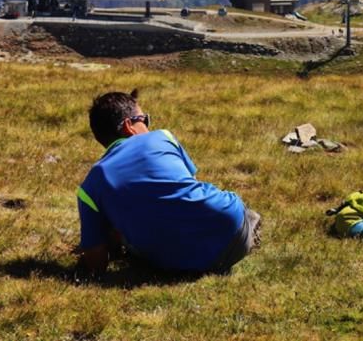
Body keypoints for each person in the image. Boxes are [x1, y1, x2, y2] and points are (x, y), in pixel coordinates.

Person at [76, 89, 261, 274]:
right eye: (144, 120)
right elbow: (189, 185)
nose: (148, 127)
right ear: (129, 126)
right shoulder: (163, 137)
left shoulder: (90, 186)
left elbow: (96, 264)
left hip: (171, 263)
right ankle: (249, 224)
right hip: (232, 231)